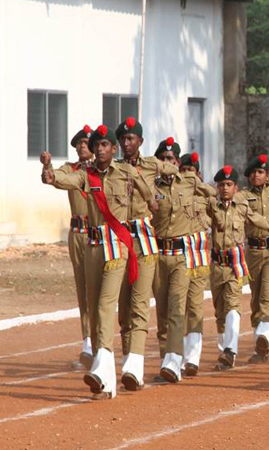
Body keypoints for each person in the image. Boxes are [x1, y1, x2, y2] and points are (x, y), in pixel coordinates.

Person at [41, 124, 156, 399]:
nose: (100, 149)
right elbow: (60, 180)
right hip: (93, 247)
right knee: (94, 311)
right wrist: (47, 169)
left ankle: (103, 370)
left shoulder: (126, 172)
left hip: (118, 246)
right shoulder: (85, 175)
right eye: (97, 145)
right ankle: (107, 382)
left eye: (105, 144)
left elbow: (149, 198)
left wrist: (150, 211)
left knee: (106, 305)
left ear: (113, 149)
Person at [112, 117, 182, 391]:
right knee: (124, 309)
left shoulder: (152, 165)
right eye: (123, 139)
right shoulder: (114, 168)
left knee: (140, 305)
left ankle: (135, 366)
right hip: (119, 241)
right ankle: (128, 361)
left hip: (143, 241)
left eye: (131, 138)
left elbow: (177, 171)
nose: (126, 143)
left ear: (140, 141)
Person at [151, 138, 215, 383]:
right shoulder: (150, 185)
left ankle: (175, 361)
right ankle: (166, 360)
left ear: (177, 162)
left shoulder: (189, 182)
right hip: (158, 255)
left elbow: (213, 195)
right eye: (162, 159)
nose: (166, 162)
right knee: (163, 313)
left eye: (170, 159)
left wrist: (197, 185)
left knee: (179, 308)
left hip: (183, 256)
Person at [209, 165, 269, 370]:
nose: (225, 188)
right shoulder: (212, 207)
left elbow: (259, 220)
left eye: (229, 184)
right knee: (220, 312)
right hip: (216, 265)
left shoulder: (242, 207)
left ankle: (230, 350)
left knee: (233, 306)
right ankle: (224, 352)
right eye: (221, 184)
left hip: (234, 264)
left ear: (236, 187)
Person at [42, 124, 95, 369]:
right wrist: (46, 166)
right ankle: (88, 343)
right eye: (79, 144)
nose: (82, 147)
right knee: (83, 288)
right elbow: (52, 178)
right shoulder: (70, 169)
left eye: (86, 143)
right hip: (78, 234)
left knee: (102, 289)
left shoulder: (104, 171)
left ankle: (106, 341)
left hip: (100, 235)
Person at [242, 153, 269, 364]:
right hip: (252, 251)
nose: (256, 176)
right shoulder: (243, 196)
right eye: (253, 172)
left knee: (267, 296)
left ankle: (264, 337)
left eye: (260, 172)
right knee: (256, 298)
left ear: (268, 174)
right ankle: (260, 346)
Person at [178, 152, 212, 376]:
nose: (187, 175)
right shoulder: (174, 193)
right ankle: (177, 354)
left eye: (191, 171)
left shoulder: (206, 195)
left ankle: (192, 358)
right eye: (184, 171)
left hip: (198, 256)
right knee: (178, 306)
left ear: (198, 173)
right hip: (178, 255)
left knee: (195, 306)